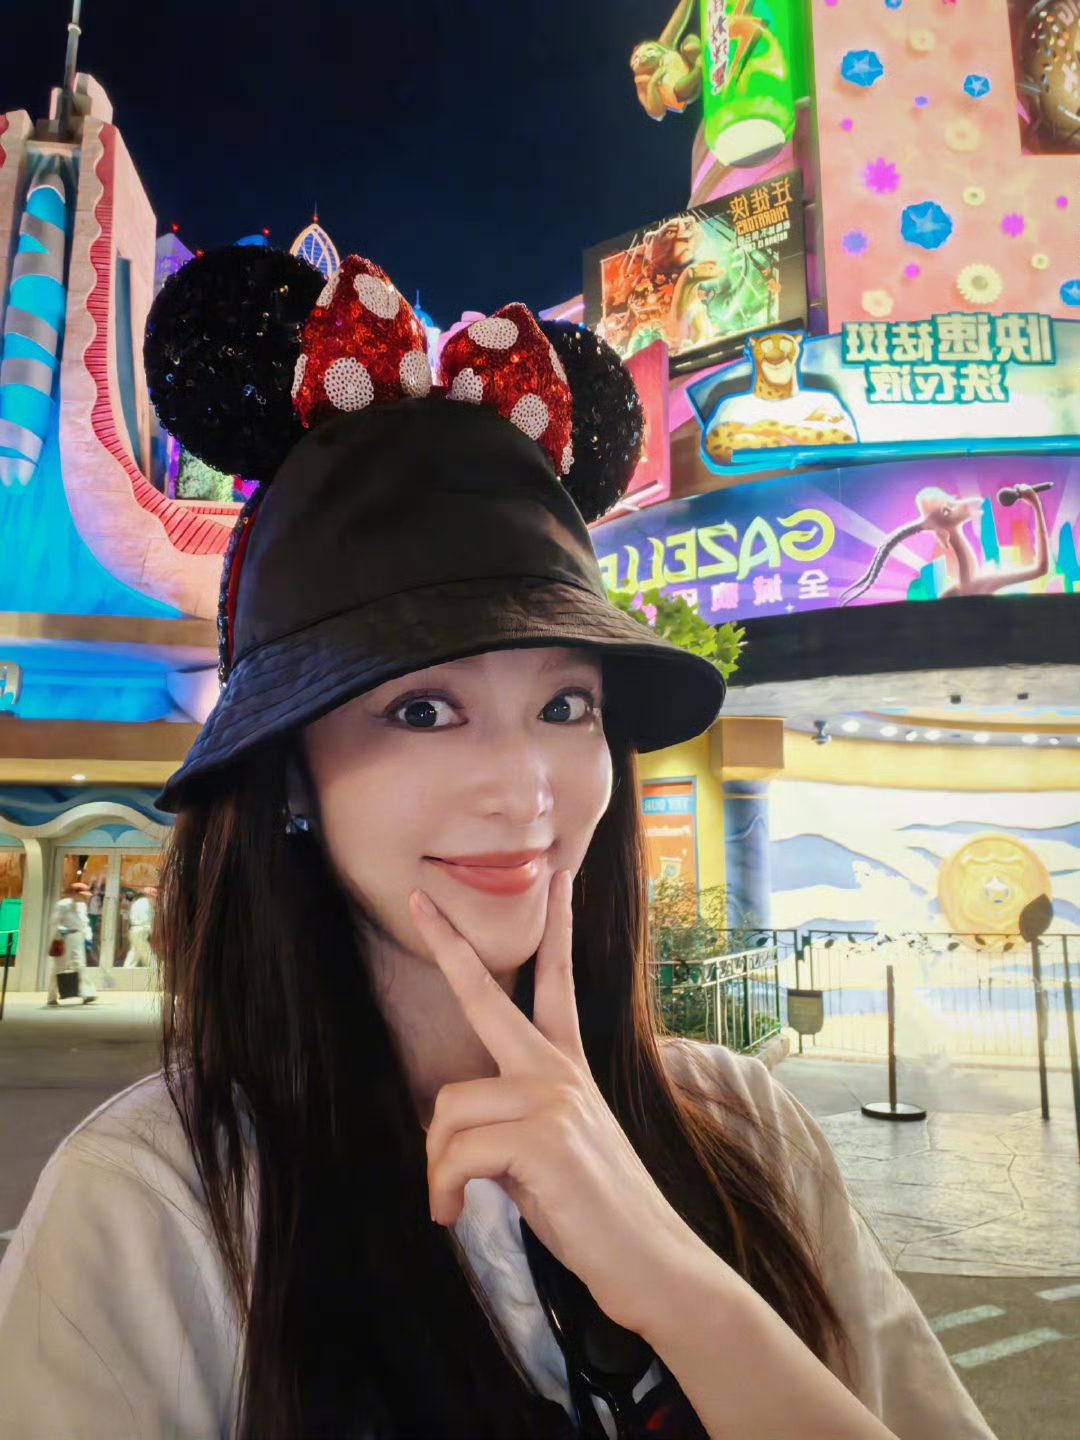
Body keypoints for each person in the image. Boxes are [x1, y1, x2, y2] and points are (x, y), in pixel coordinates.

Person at [0, 247, 996, 1440]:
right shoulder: (155, 1211)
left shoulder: (744, 1128)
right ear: (292, 773)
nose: (525, 786)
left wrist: (678, 1284)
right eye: (423, 710)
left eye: (565, 704)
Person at [45, 882, 97, 1006]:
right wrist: (60, 932)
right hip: (65, 937)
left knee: (80, 965)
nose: (85, 897)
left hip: (78, 936)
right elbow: (54, 922)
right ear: (74, 893)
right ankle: (51, 996)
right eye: (82, 894)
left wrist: (88, 937)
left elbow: (84, 923)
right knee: (59, 968)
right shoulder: (62, 905)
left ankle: (87, 993)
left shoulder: (82, 906)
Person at [122, 886, 157, 968]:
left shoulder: (136, 903)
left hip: (134, 930)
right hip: (142, 930)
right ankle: (154, 969)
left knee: (135, 952)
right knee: (146, 952)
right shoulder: (147, 904)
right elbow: (146, 920)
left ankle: (126, 969)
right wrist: (151, 932)